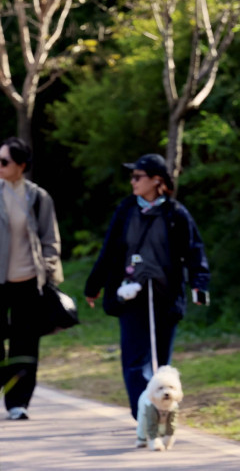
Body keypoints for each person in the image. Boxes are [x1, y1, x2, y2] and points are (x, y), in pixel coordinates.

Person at [84, 153, 210, 421]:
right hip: (130, 295)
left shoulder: (176, 214)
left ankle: (160, 411)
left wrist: (200, 285)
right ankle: (143, 415)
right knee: (134, 362)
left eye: (137, 176)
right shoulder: (126, 210)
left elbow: (194, 252)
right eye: (132, 177)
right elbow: (109, 251)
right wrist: (94, 286)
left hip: (166, 296)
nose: (133, 182)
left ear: (156, 180)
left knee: (161, 363)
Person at [0, 138, 62, 421]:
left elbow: (50, 238)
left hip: (28, 281)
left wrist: (48, 268)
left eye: (5, 161)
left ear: (21, 166)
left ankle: (18, 402)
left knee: (25, 343)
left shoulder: (38, 197)